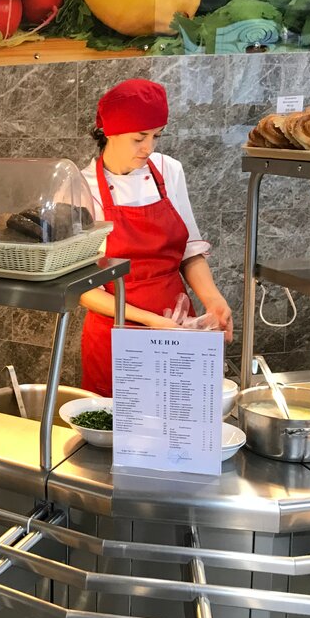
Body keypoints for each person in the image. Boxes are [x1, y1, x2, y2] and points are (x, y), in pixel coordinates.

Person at [80, 78, 232, 397]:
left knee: (179, 413)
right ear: (109, 132)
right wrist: (149, 321)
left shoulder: (168, 170)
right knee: (115, 422)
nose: (149, 148)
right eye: (139, 138)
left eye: (156, 136)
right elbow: (84, 290)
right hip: (116, 331)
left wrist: (212, 299)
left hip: (177, 323)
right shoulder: (82, 187)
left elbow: (189, 251)